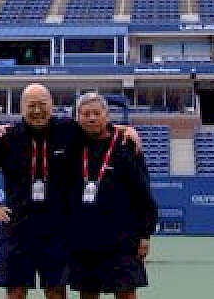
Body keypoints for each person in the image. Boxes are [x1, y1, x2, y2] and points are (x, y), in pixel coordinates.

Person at [0, 84, 143, 299]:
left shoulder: (67, 129)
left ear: (52, 105)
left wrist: (126, 130)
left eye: (42, 104)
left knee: (56, 292)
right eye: (31, 105)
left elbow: (97, 127)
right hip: (17, 229)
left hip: (57, 231)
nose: (37, 111)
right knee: (15, 293)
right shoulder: (7, 136)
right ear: (21, 107)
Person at [67, 92, 158, 299]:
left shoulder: (127, 144)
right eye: (86, 114)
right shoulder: (71, 144)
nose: (91, 118)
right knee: (88, 294)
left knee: (126, 293)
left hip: (123, 238)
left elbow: (143, 192)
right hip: (84, 238)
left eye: (96, 113)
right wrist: (7, 126)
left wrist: (145, 234)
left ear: (107, 116)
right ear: (78, 117)